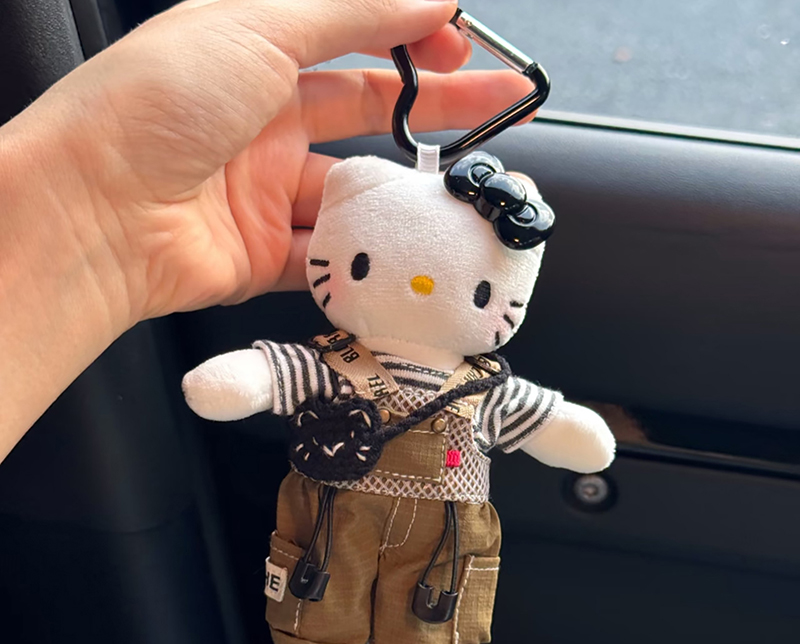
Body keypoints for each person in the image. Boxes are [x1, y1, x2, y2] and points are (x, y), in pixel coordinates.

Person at [0, 0, 538, 462]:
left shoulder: (479, 387)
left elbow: (536, 416)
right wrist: (90, 203)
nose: (420, 287)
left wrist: (93, 212)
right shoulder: (339, 363)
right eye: (361, 266)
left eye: (482, 294)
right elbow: (279, 374)